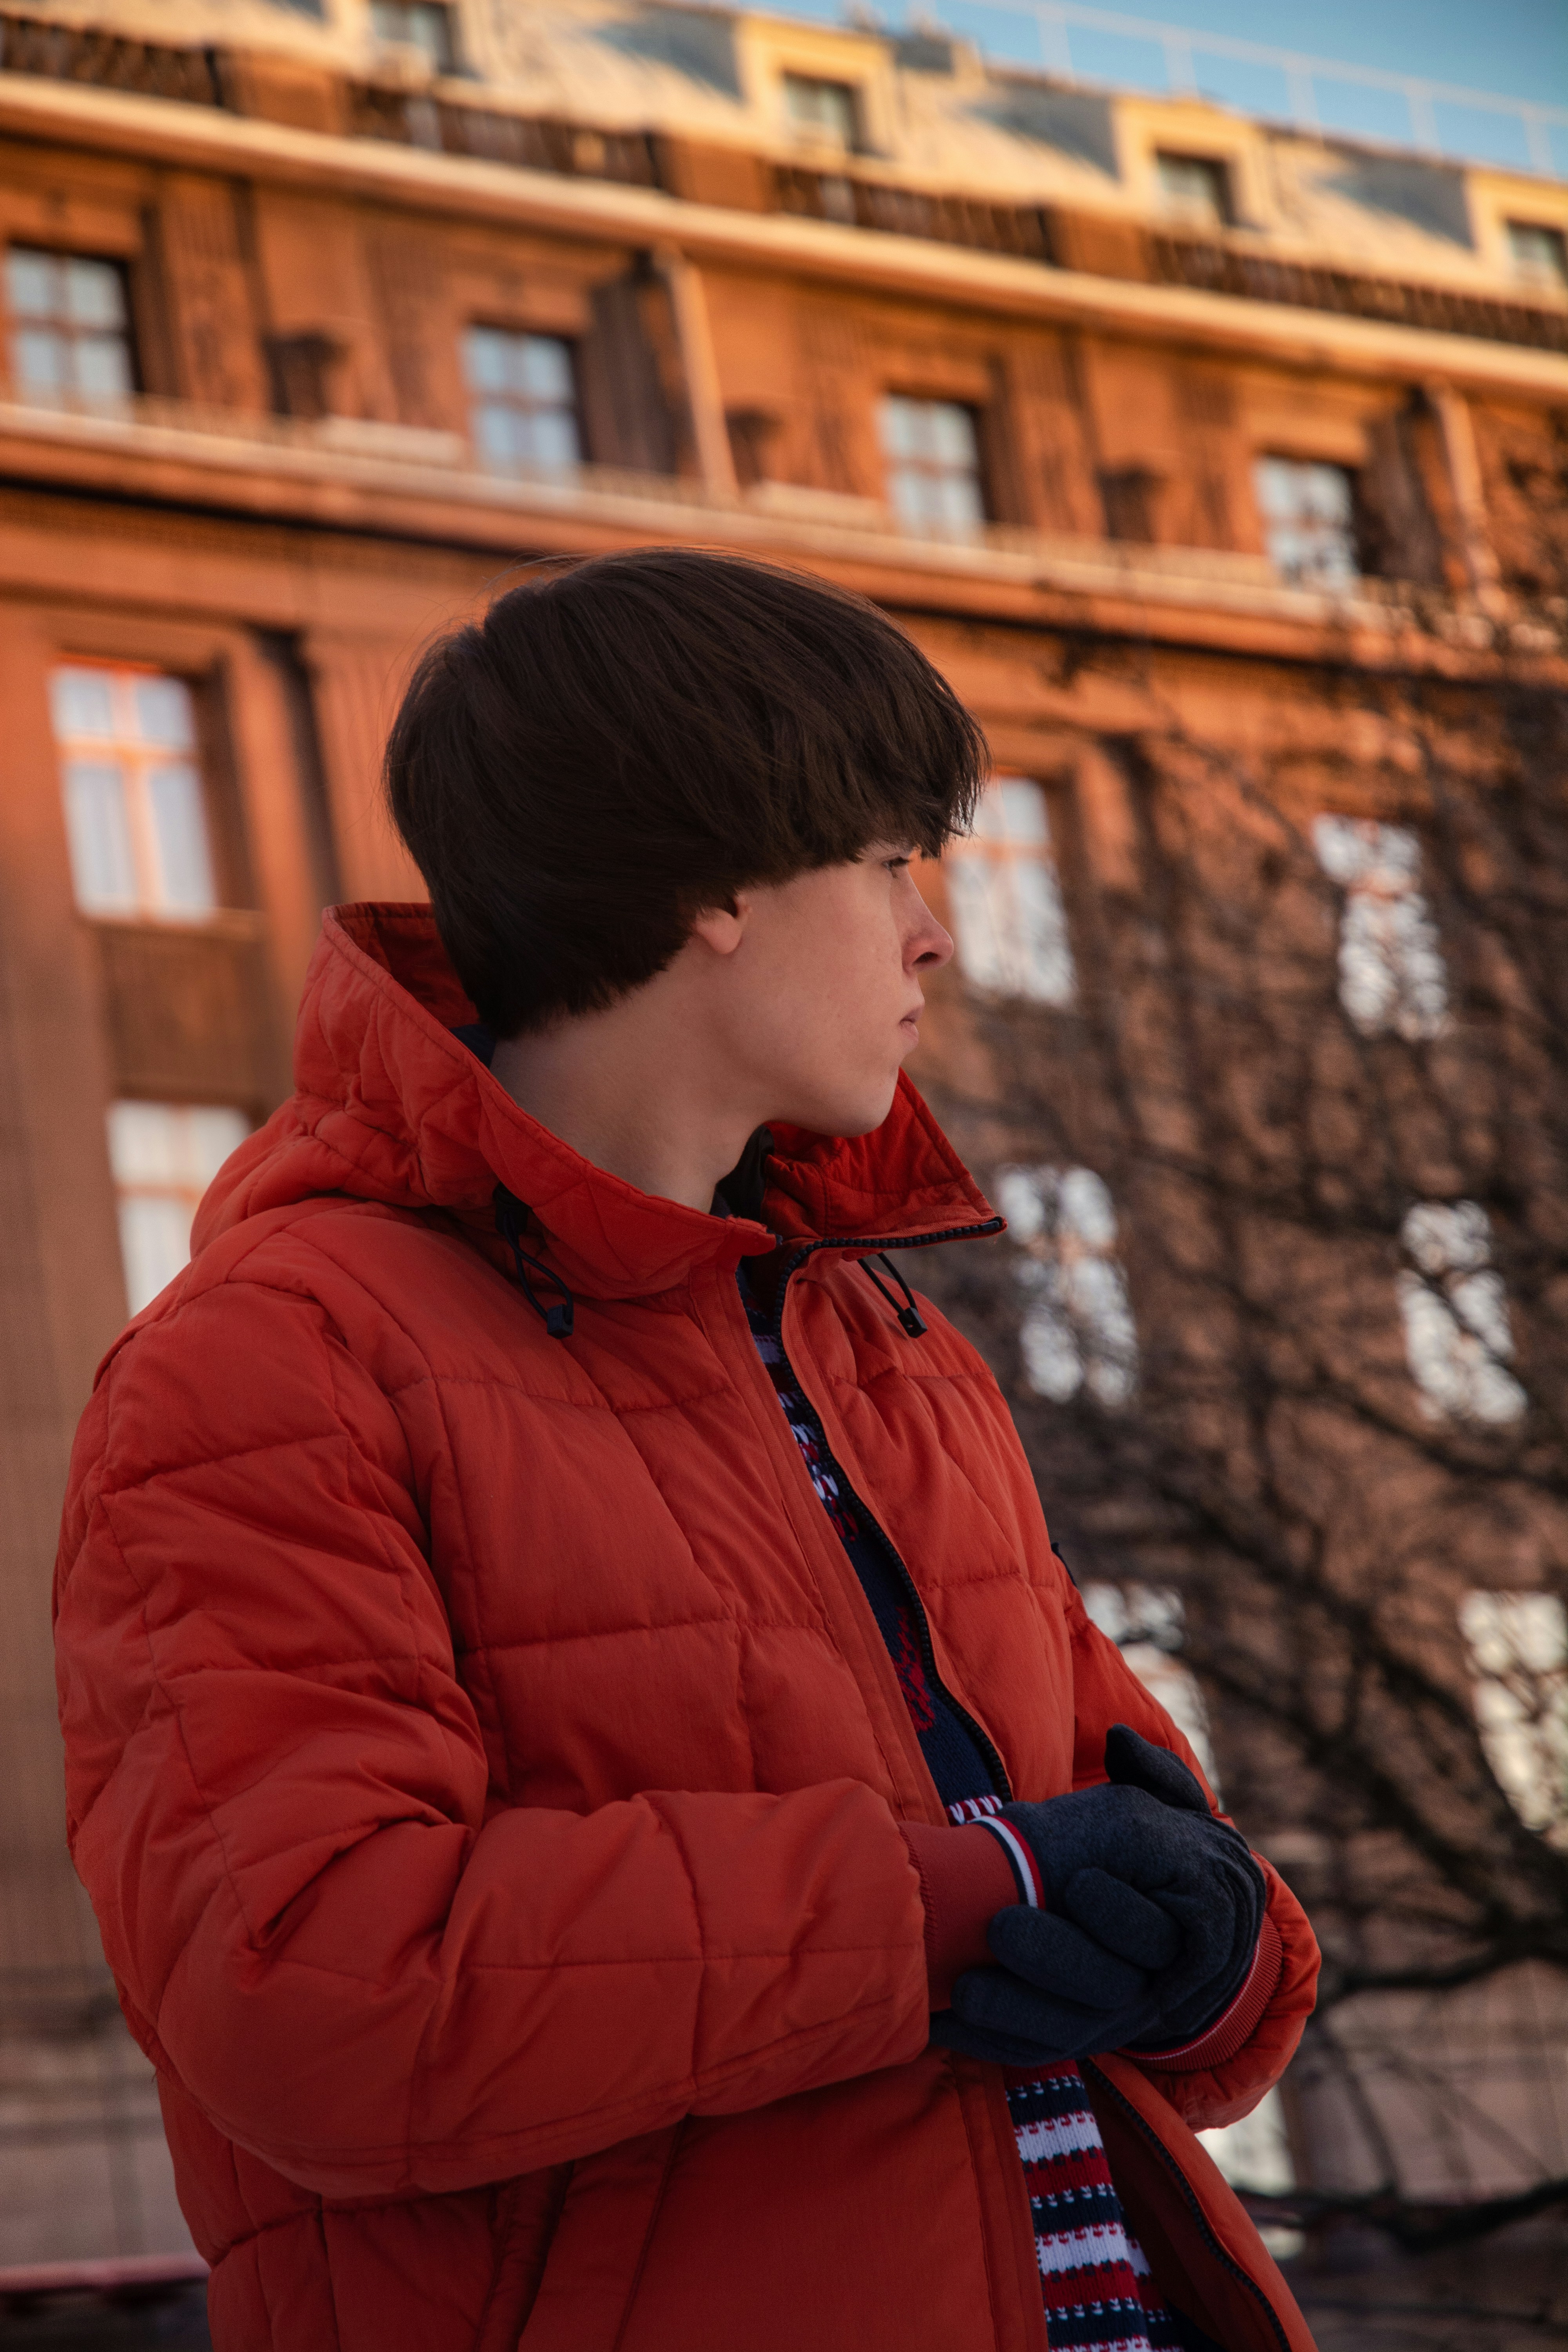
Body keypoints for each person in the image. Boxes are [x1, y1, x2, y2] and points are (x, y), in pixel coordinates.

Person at [54, 548, 1319, 2352]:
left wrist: (1215, 1954)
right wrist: (958, 1901)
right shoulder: (272, 1363)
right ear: (714, 886)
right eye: (889, 862)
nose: (931, 933)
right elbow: (310, 1987)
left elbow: (1155, 1863)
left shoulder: (888, 1351)